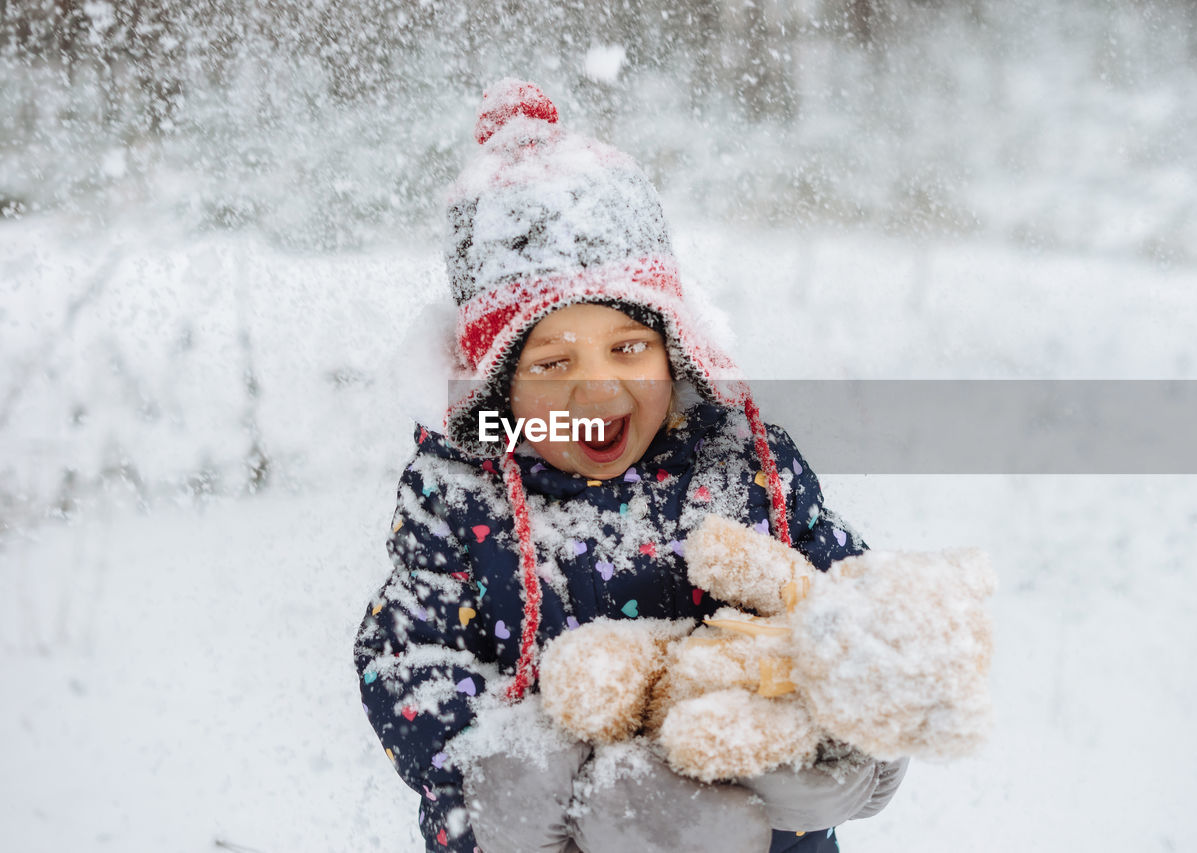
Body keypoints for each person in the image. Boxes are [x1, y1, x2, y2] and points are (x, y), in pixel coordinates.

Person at [354, 79, 907, 853]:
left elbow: (846, 595)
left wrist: (853, 719)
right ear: (499, 388)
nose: (600, 388)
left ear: (674, 348)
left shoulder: (743, 466)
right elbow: (409, 653)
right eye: (551, 363)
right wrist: (485, 784)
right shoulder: (459, 493)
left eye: (627, 347)